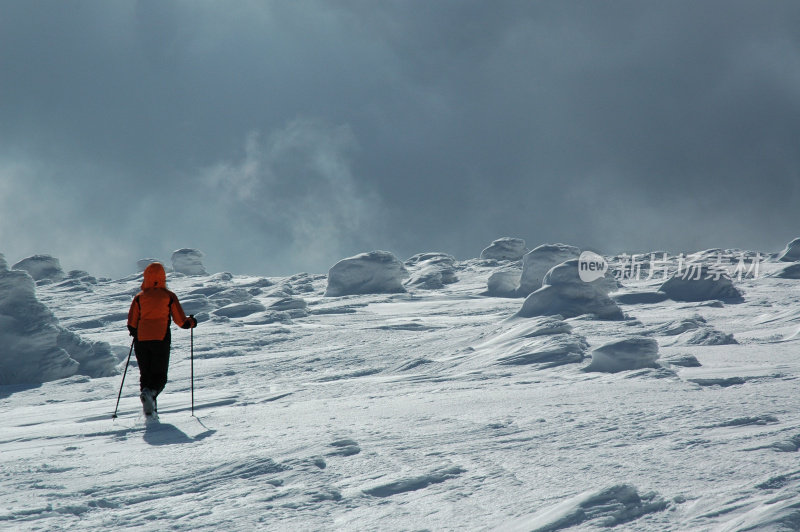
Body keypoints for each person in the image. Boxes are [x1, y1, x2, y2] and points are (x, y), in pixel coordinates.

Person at [127, 262, 197, 416]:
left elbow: (131, 324)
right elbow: (181, 321)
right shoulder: (168, 296)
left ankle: (150, 409)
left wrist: (137, 332)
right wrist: (191, 322)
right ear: (163, 277)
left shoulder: (139, 298)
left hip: (141, 341)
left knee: (146, 375)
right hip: (160, 339)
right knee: (159, 376)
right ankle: (151, 396)